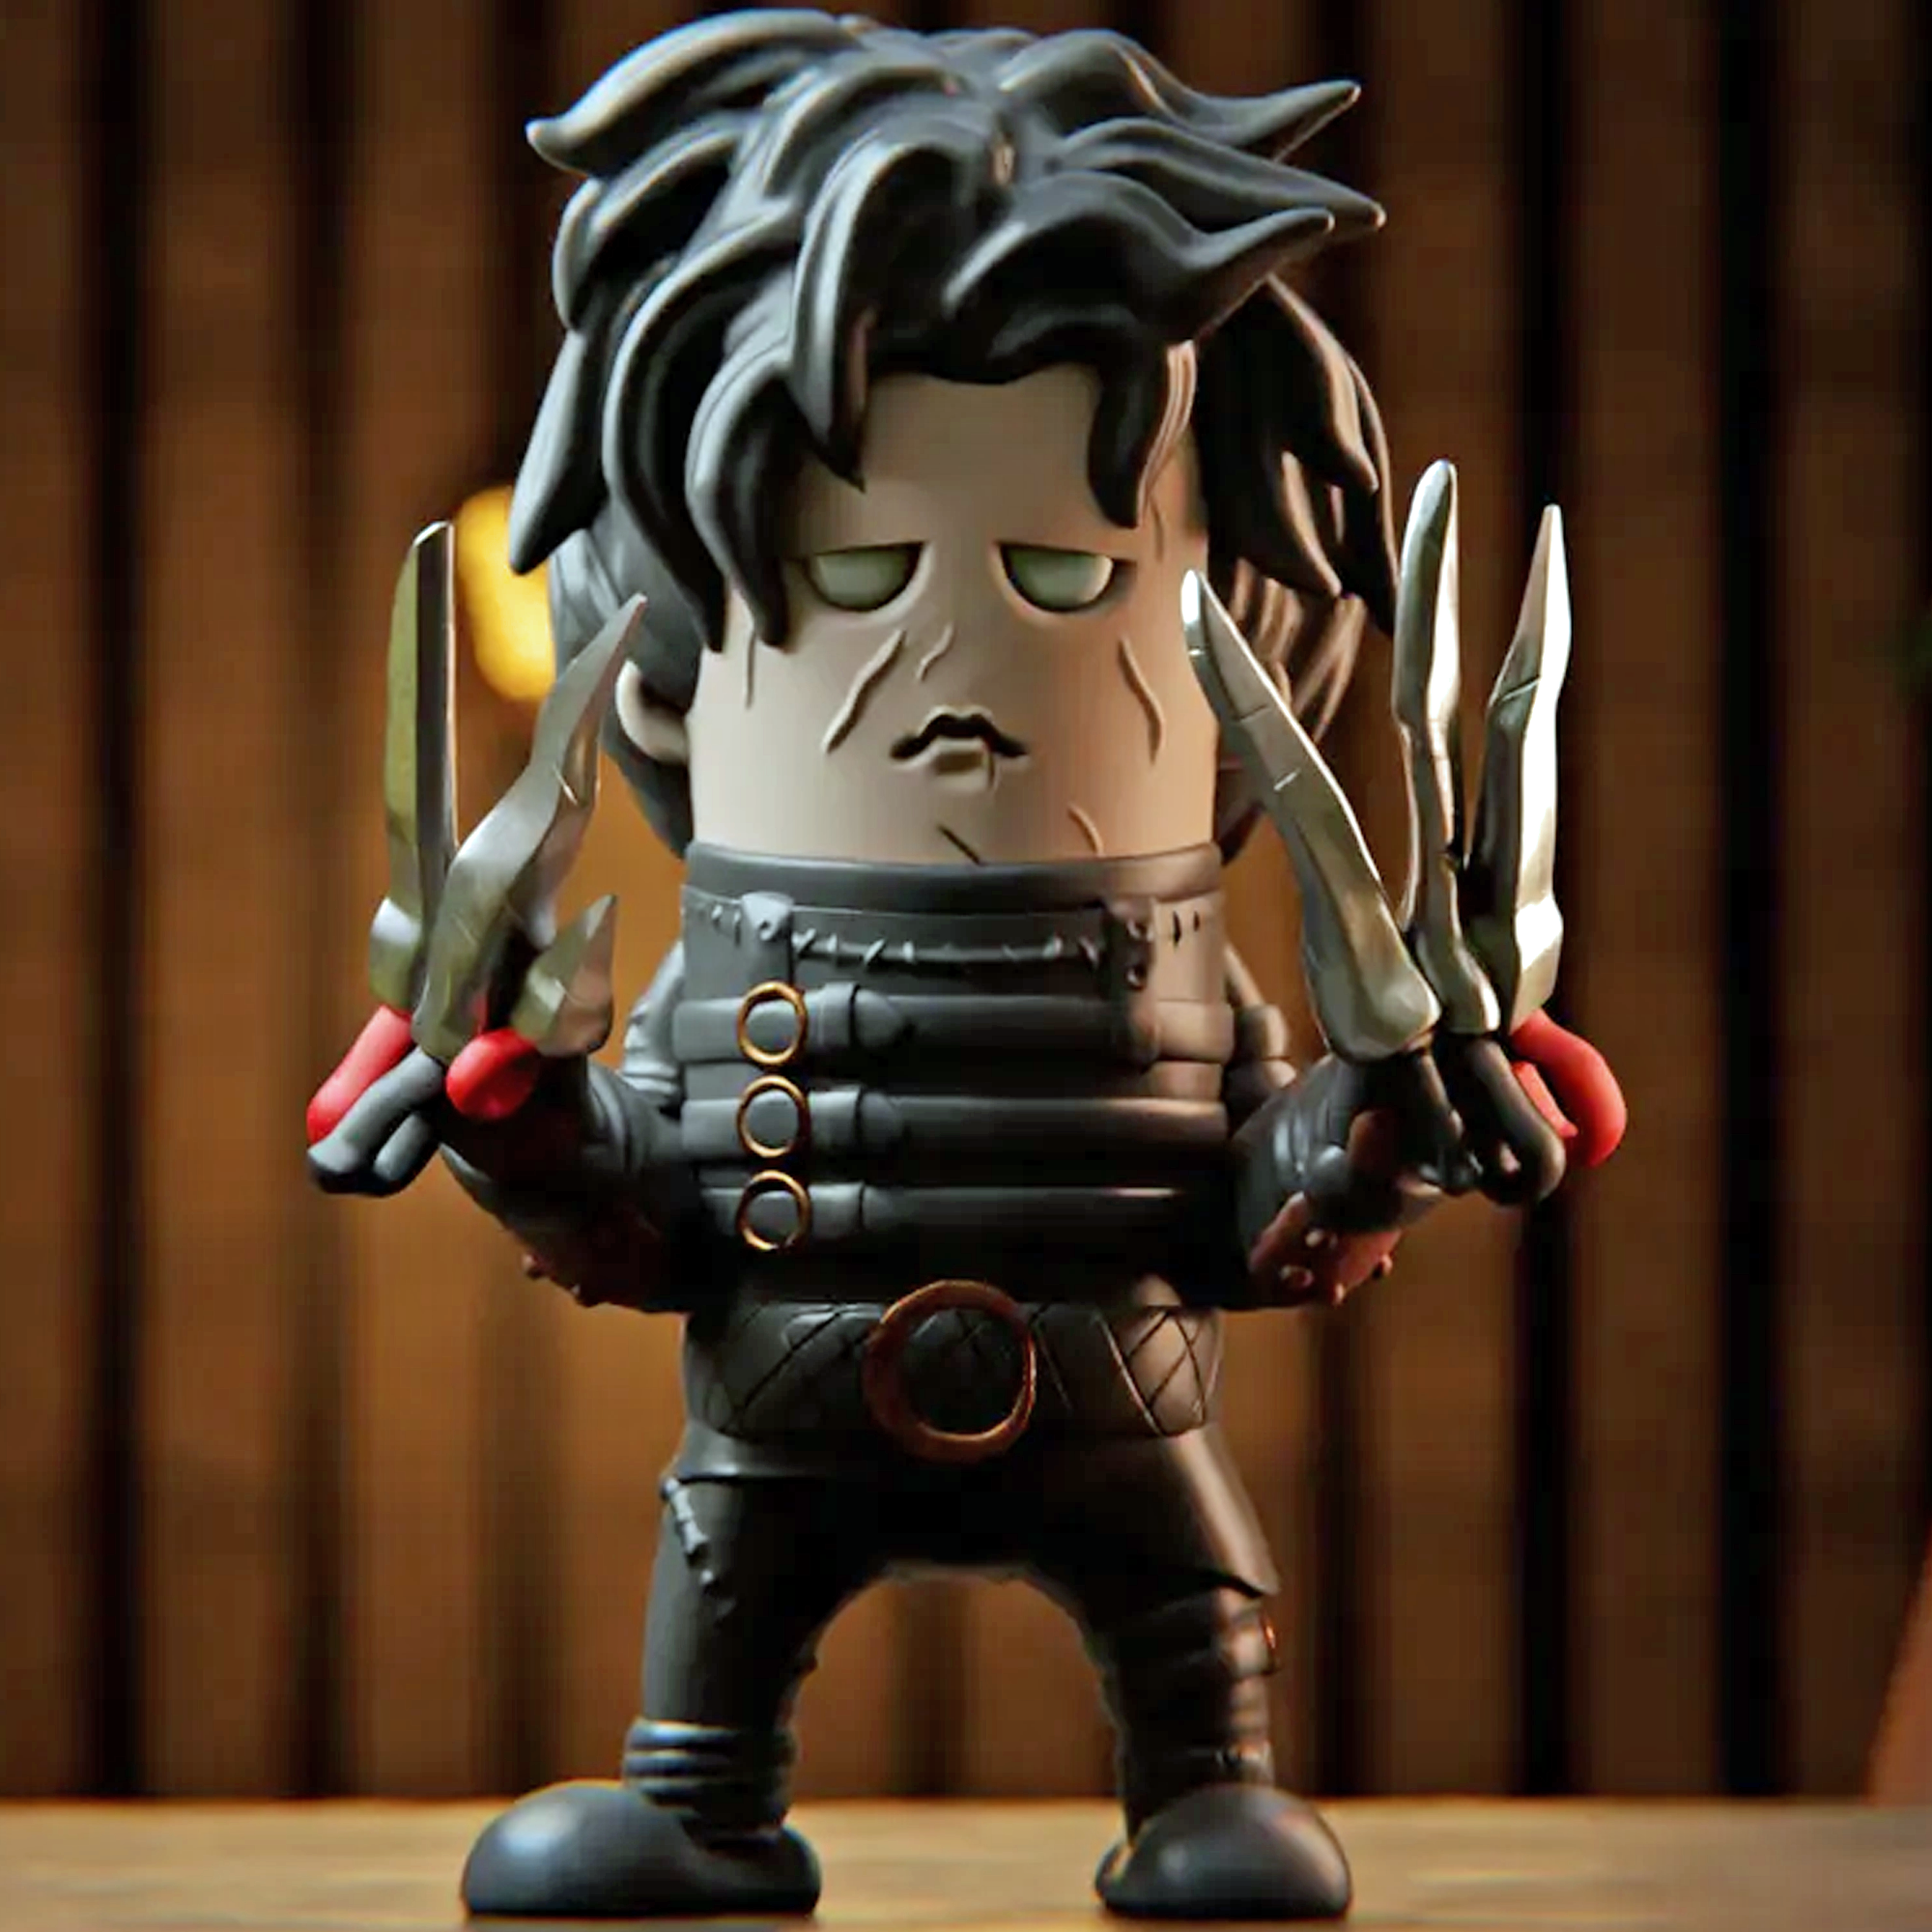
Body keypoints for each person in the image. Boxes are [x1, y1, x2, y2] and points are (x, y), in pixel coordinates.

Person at [307, 13, 1621, 1920]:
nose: (947, 668)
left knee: (1186, 1620)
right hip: (780, 1410)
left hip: (1118, 1394)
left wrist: (1378, 1128)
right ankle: (704, 1801)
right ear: (666, 653)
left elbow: (1245, 1204)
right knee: (728, 1583)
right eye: (855, 578)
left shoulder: (1190, 972)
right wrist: (527, 1128)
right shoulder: (706, 951)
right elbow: (655, 1209)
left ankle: (1202, 1784)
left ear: (1244, 633)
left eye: (1067, 576)